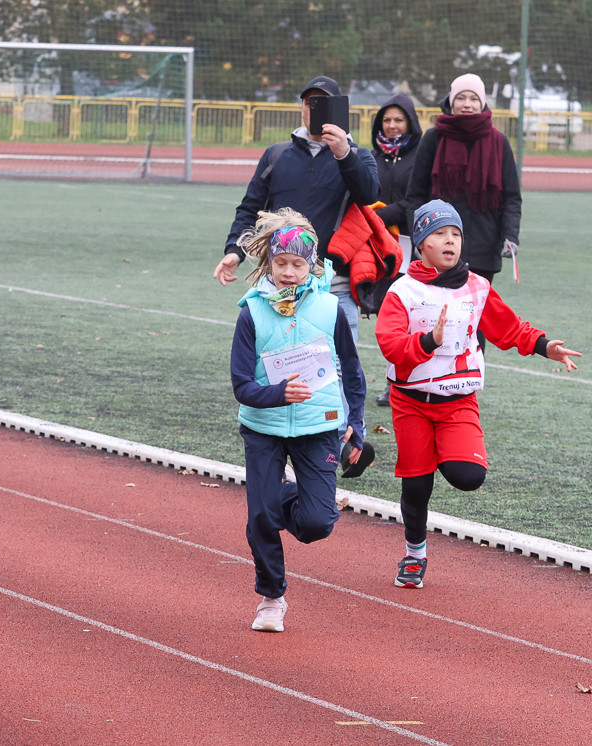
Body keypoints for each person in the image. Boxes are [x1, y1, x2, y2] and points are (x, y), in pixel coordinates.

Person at [375, 200, 580, 589]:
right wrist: (428, 341)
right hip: (411, 403)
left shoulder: (477, 287)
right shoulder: (401, 291)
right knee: (416, 487)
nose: (450, 241)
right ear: (420, 244)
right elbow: (390, 345)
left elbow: (509, 328)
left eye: (455, 234)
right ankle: (415, 554)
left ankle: (441, 450)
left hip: (458, 402)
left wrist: (544, 345)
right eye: (439, 234)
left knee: (468, 476)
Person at [214, 74, 379, 470]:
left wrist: (344, 154)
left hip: (331, 286)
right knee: (280, 364)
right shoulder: (276, 155)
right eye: (308, 102)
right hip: (279, 287)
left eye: (323, 104)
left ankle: (348, 440)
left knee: (338, 366)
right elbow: (250, 207)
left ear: (341, 110)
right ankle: (289, 447)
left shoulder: (358, 156)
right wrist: (235, 251)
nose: (314, 110)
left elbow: (371, 193)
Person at [229, 208, 367, 632]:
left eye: (298, 264)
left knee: (316, 524)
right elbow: (241, 386)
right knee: (262, 517)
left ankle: (279, 495)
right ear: (268, 262)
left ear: (313, 264)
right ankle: (272, 598)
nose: (289, 272)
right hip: (263, 427)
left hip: (319, 427)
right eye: (281, 263)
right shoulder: (251, 314)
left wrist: (355, 424)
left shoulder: (329, 309)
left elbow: (353, 370)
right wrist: (277, 394)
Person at [405, 74, 522, 284]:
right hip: (438, 250)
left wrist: (510, 236)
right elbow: (415, 195)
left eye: (473, 99)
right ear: (451, 102)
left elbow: (511, 198)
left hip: (483, 251)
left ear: (482, 103)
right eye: (460, 98)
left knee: (476, 314)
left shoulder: (499, 142)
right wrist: (419, 237)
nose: (467, 104)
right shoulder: (433, 139)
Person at [370, 93, 423, 406]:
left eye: (398, 119)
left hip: (411, 246)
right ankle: (395, 378)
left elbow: (415, 200)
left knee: (411, 315)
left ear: (410, 122)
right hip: (380, 248)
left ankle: (403, 384)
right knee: (386, 315)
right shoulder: (372, 155)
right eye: (387, 120)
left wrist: (380, 215)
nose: (391, 126)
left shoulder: (420, 156)